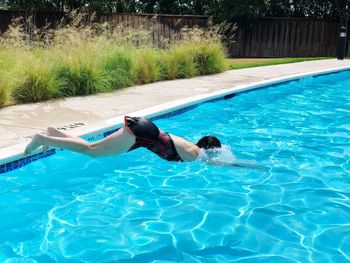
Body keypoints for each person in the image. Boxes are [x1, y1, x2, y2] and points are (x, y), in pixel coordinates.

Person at [24, 116, 266, 169]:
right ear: (208, 149)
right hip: (142, 134)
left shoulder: (192, 146)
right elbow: (219, 164)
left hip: (144, 134)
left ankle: (54, 132)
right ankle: (42, 138)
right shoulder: (194, 154)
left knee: (94, 148)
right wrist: (251, 165)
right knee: (92, 151)